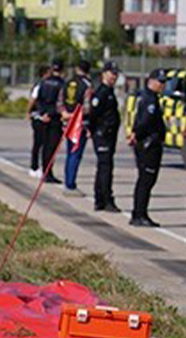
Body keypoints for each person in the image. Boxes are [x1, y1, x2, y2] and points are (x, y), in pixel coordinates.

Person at [129, 70, 167, 228]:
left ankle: (140, 212)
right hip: (149, 145)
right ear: (151, 81)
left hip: (149, 143)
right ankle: (139, 214)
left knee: (146, 180)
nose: (162, 85)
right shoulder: (150, 100)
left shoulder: (150, 97)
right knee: (146, 180)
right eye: (160, 82)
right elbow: (145, 122)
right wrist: (137, 134)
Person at [89, 62, 122, 213]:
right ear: (104, 74)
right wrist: (94, 131)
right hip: (103, 135)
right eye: (111, 73)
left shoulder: (109, 91)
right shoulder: (101, 92)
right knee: (105, 168)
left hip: (109, 135)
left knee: (103, 167)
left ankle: (100, 199)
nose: (114, 77)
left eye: (116, 74)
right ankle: (106, 199)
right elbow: (93, 115)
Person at [61, 60, 92, 194]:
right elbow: (87, 108)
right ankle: (70, 184)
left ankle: (68, 181)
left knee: (70, 152)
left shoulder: (67, 82)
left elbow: (60, 100)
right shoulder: (87, 85)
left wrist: (65, 113)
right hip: (79, 124)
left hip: (66, 121)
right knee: (75, 153)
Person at [32, 60, 66, 184]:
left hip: (43, 117)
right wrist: (52, 114)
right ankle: (48, 172)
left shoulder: (43, 82)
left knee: (45, 145)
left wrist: (42, 113)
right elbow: (60, 102)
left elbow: (38, 99)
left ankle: (44, 171)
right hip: (55, 118)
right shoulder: (62, 84)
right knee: (52, 147)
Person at [27, 65, 49, 178]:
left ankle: (41, 166)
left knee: (45, 143)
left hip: (45, 118)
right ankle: (34, 167)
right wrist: (28, 112)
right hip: (38, 117)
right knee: (38, 143)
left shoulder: (47, 85)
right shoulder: (40, 85)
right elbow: (32, 99)